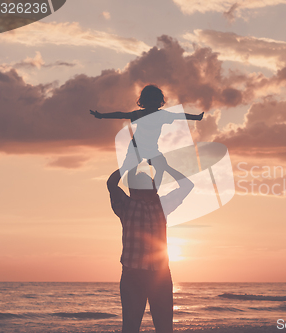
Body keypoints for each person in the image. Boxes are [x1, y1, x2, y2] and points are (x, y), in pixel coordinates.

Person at [107, 165, 194, 333]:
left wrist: (165, 166)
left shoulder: (160, 206)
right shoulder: (127, 205)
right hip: (135, 275)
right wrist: (129, 164)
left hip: (159, 276)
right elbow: (111, 184)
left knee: (163, 327)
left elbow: (187, 185)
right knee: (132, 327)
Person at [91, 84, 203, 189]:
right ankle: (132, 192)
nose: (153, 103)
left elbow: (180, 116)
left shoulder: (162, 115)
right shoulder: (140, 114)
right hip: (136, 149)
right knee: (129, 168)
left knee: (161, 167)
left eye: (155, 100)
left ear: (159, 102)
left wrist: (196, 117)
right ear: (145, 102)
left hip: (151, 149)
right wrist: (101, 116)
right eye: (151, 100)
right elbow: (121, 115)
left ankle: (154, 192)